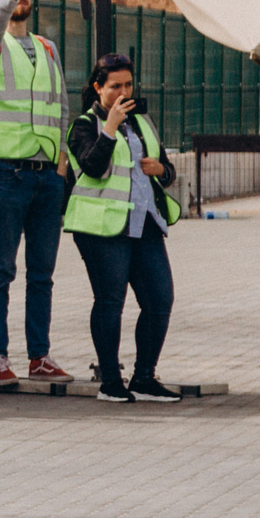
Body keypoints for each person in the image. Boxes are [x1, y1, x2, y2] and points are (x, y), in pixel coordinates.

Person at [0, 0, 76, 386]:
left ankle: (40, 356)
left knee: (42, 274)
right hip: (9, 176)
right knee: (1, 271)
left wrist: (61, 162)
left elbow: (61, 106)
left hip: (46, 179)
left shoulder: (47, 48)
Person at [65, 54, 182, 403]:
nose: (124, 91)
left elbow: (169, 170)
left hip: (143, 224)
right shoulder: (84, 126)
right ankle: (110, 382)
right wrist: (110, 128)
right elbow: (93, 167)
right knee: (110, 302)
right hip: (102, 229)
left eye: (128, 84)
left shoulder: (142, 123)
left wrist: (161, 169)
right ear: (98, 88)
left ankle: (144, 377)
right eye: (115, 86)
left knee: (160, 299)